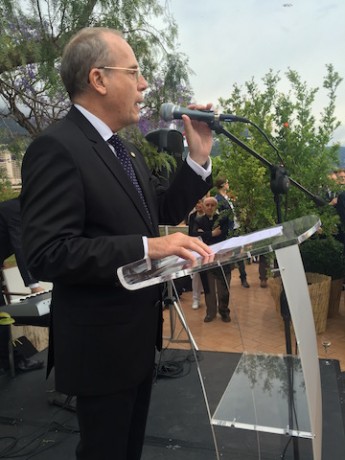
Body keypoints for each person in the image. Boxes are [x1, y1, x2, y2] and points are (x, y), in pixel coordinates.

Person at [20, 27, 214, 460]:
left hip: (137, 341)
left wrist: (198, 158)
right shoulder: (56, 147)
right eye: (135, 72)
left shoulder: (123, 151)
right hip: (100, 350)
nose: (144, 85)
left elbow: (160, 209)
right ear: (99, 79)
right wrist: (148, 248)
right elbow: (48, 253)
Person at [0, 197, 45, 372]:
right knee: (2, 319)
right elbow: (21, 247)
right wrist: (34, 285)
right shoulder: (17, 210)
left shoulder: (13, 208)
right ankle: (14, 362)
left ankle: (9, 361)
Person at [190, 196, 231, 323]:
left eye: (212, 205)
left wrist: (205, 234)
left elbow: (225, 234)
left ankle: (224, 311)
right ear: (203, 206)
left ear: (216, 207)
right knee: (208, 288)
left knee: (224, 287)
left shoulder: (223, 220)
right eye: (207, 205)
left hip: (222, 257)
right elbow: (194, 235)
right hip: (206, 258)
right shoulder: (199, 220)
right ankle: (210, 312)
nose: (209, 207)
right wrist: (211, 234)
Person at [214, 176, 250, 288]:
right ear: (222, 185)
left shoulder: (229, 198)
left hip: (236, 228)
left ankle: (243, 277)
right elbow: (219, 217)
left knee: (239, 254)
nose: (228, 184)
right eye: (227, 182)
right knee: (228, 254)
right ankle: (225, 279)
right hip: (228, 230)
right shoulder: (217, 199)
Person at [188, 198, 206, 309]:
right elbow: (192, 233)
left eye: (200, 202)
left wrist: (205, 233)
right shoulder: (192, 216)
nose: (197, 205)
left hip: (208, 247)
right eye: (196, 202)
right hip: (196, 247)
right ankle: (196, 299)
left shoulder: (209, 215)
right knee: (196, 273)